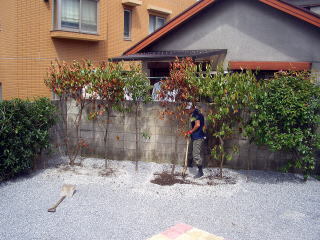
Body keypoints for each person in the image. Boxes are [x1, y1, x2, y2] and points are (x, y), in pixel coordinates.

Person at [185, 103, 206, 178]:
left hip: (198, 137)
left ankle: (200, 172)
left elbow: (197, 125)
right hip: (195, 136)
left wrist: (190, 131)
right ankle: (189, 165)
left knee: (196, 155)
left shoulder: (195, 114)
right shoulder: (197, 113)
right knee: (191, 151)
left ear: (192, 108)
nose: (187, 111)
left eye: (188, 109)